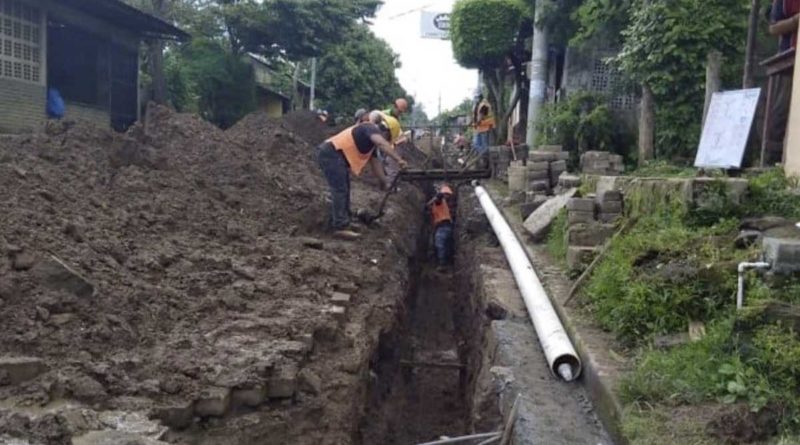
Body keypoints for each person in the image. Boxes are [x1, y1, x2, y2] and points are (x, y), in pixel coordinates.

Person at [317, 111, 408, 240]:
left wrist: (385, 183)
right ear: (385, 131)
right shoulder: (369, 127)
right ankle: (340, 227)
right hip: (330, 153)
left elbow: (377, 166)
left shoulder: (371, 146)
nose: (386, 141)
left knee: (345, 187)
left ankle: (345, 221)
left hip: (336, 156)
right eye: (387, 138)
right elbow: (381, 144)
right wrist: (399, 160)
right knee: (340, 189)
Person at [766, 0, 799, 163]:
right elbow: (773, 28)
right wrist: (795, 21)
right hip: (789, 59)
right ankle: (773, 158)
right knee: (782, 108)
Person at [428, 184, 455, 268]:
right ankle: (447, 262)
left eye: (447, 195)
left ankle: (442, 264)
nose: (447, 196)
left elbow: (438, 198)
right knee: (446, 245)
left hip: (443, 226)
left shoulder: (439, 201)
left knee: (439, 244)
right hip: (447, 226)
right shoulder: (444, 204)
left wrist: (439, 194)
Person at [472, 94, 495, 167]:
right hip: (481, 128)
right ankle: (484, 156)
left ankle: (485, 157)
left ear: (479, 98)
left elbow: (481, 116)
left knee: (481, 145)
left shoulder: (483, 105)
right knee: (477, 145)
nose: (475, 99)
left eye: (476, 98)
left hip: (484, 127)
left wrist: (476, 124)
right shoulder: (480, 105)